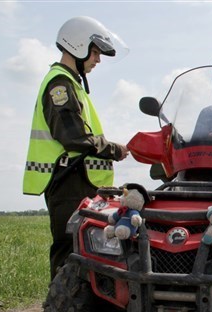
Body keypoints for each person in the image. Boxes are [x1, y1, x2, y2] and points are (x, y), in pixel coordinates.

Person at [23, 16, 129, 280]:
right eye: (95, 52)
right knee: (69, 252)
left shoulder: (72, 84)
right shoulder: (60, 85)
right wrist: (115, 150)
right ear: (78, 45)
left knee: (87, 250)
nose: (98, 60)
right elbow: (74, 138)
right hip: (68, 180)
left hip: (77, 179)